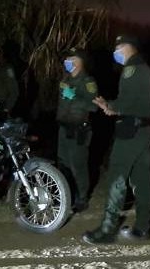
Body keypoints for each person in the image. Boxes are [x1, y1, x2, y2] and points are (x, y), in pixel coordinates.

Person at [83, 35, 150, 244]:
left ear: (129, 47)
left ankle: (107, 230)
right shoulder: (144, 68)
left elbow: (127, 101)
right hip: (144, 129)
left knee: (116, 176)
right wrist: (111, 106)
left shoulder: (132, 69)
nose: (116, 51)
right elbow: (137, 102)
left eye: (119, 47)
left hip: (131, 131)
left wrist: (111, 106)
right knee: (141, 179)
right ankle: (142, 228)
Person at [56, 48, 98, 212]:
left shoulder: (87, 81)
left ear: (81, 61)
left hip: (79, 129)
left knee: (78, 165)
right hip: (63, 127)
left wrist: (76, 97)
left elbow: (93, 106)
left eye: (71, 58)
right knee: (63, 164)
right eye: (67, 58)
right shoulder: (65, 79)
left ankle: (82, 198)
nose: (67, 61)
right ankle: (66, 195)